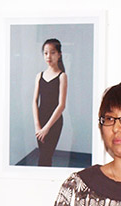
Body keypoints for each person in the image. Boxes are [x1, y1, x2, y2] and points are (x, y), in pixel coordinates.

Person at [32, 38, 68, 166]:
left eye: (52, 52)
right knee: (44, 157)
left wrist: (47, 128)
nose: (49, 56)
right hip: (40, 121)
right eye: (46, 53)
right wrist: (38, 126)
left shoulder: (62, 76)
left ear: (59, 54)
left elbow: (61, 105)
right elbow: (35, 102)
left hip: (54, 123)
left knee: (45, 156)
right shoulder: (39, 76)